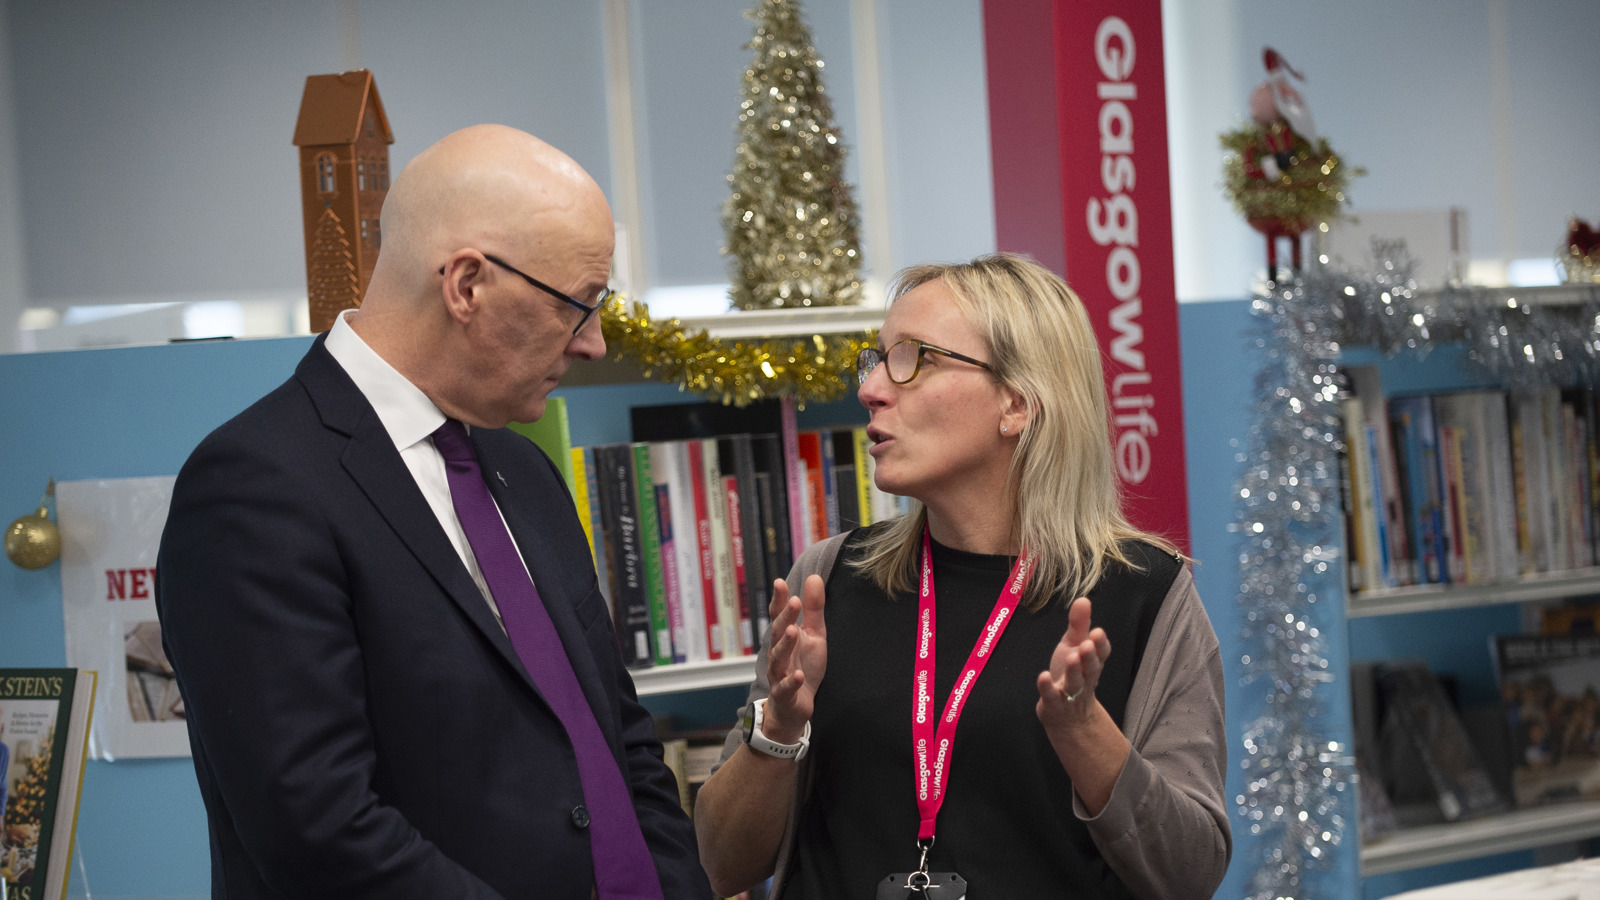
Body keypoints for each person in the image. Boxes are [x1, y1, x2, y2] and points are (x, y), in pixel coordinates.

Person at [156, 124, 711, 899]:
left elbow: (620, 742)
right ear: (467, 285)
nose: (594, 343)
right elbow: (317, 825)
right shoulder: (256, 487)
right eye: (577, 307)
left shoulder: (523, 468)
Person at [694, 254, 1231, 899]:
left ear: (1017, 402)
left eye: (914, 358)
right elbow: (723, 864)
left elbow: (1191, 872)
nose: (871, 389)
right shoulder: (829, 579)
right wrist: (778, 729)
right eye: (878, 358)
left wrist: (1082, 730)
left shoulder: (1145, 594)